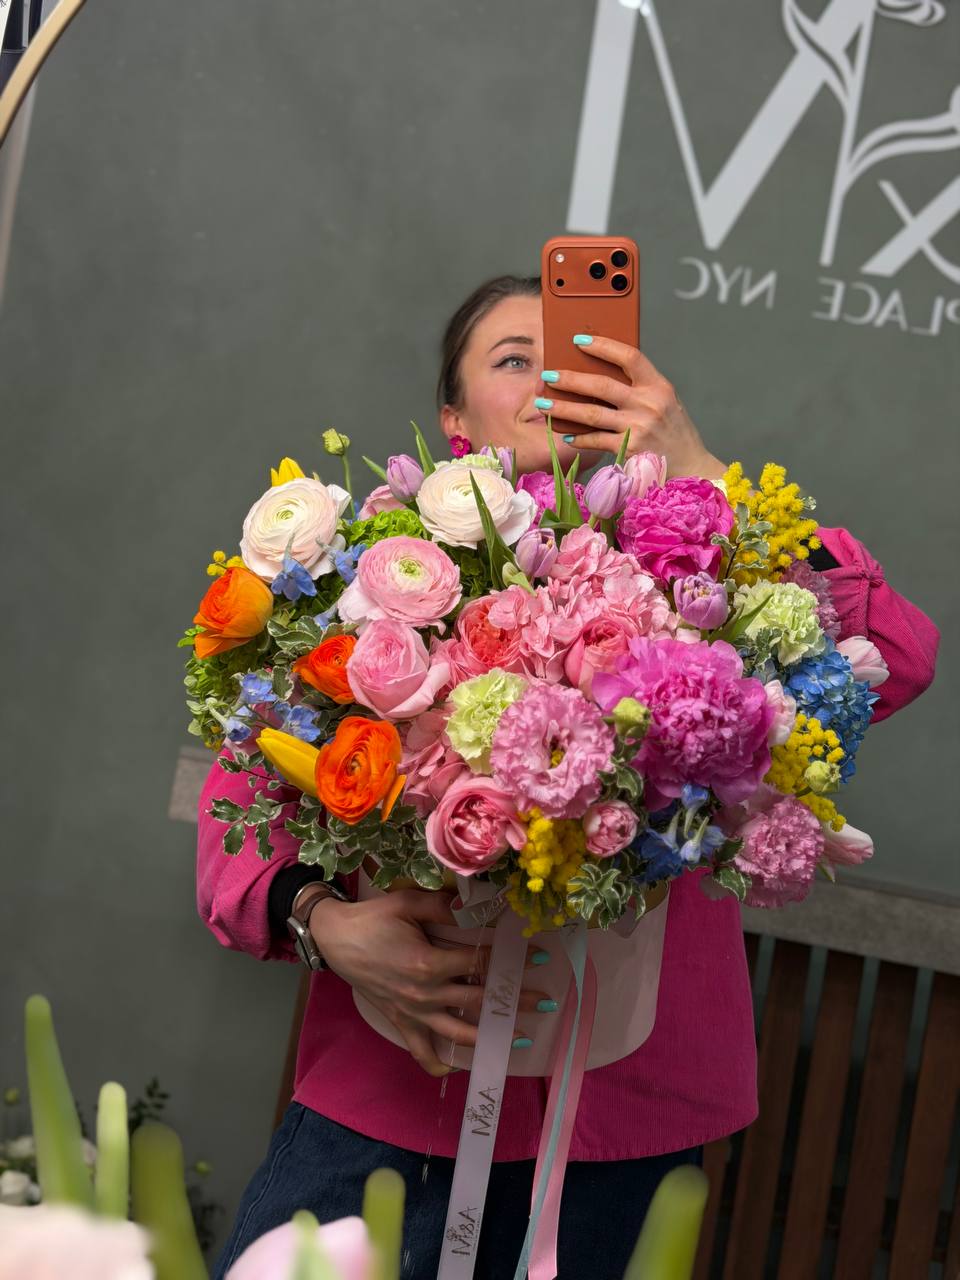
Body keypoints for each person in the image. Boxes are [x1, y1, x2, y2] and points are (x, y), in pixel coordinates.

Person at [199, 274, 939, 1278]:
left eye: (581, 360)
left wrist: (698, 471)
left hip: (628, 1109)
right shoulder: (372, 571)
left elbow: (895, 655)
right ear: (454, 422)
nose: (552, 382)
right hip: (399, 1077)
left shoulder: (711, 572)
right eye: (516, 360)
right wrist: (320, 920)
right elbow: (246, 787)